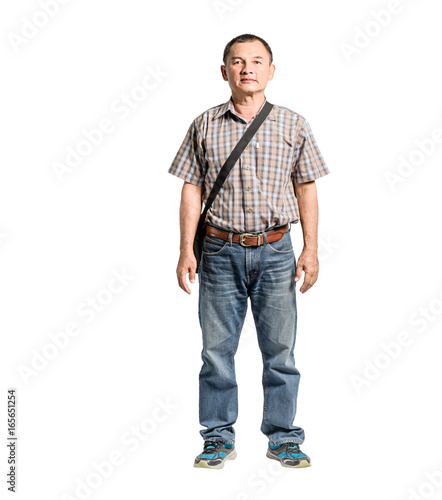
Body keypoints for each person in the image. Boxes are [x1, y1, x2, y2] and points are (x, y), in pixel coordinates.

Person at [169, 33, 329, 469]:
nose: (247, 69)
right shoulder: (204, 124)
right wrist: (187, 250)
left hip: (276, 250)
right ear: (225, 72)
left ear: (271, 71)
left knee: (280, 352)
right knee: (216, 352)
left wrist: (310, 249)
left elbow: (306, 187)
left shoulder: (294, 124)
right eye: (238, 62)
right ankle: (218, 437)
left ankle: (283, 437)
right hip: (219, 251)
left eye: (257, 61)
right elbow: (191, 189)